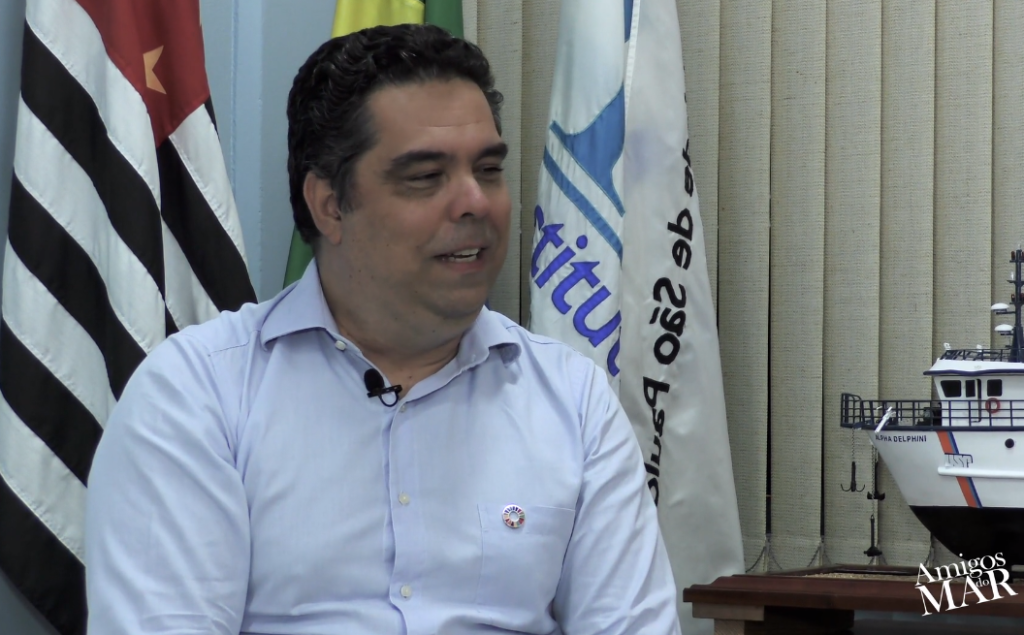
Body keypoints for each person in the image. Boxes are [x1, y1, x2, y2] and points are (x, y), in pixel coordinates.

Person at [85, 24, 681, 635]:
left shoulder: (574, 402)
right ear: (329, 206)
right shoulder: (198, 395)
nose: (475, 202)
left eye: (488, 169)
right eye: (426, 176)